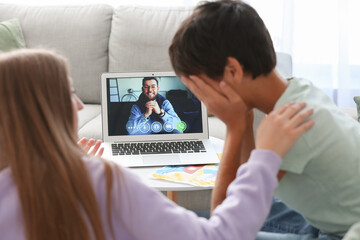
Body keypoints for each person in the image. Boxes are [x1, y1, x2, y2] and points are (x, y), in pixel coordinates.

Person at [0, 48, 313, 240]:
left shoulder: (165, 103)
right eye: (70, 93)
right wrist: (266, 156)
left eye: (153, 86)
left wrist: (164, 115)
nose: (80, 105)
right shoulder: (107, 178)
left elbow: (178, 128)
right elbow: (132, 130)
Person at [168, 0, 360, 239]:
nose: (201, 98)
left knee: (201, 229)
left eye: (199, 87)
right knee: (191, 221)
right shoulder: (299, 92)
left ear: (232, 71)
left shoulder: (298, 127)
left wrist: (234, 127)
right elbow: (250, 175)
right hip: (326, 217)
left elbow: (224, 229)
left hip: (343, 233)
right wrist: (244, 120)